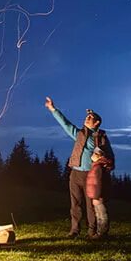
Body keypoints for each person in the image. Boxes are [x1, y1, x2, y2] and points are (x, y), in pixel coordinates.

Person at [45, 96, 114, 239]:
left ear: (96, 122)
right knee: (75, 204)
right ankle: (74, 231)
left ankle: (92, 232)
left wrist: (102, 160)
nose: (86, 118)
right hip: (75, 173)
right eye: (87, 116)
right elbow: (65, 124)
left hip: (91, 176)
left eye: (90, 117)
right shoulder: (79, 134)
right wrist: (53, 109)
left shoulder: (101, 138)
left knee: (90, 206)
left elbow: (110, 158)